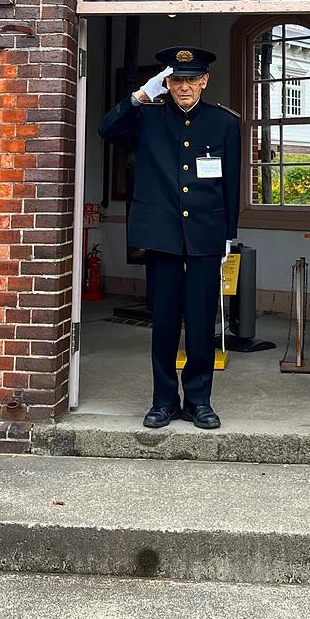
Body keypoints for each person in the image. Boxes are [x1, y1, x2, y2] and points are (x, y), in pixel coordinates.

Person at [99, 46, 240, 429]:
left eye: (192, 79)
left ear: (205, 81)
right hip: (161, 236)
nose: (184, 87)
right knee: (163, 323)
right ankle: (163, 400)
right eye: (176, 80)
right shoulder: (148, 118)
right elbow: (106, 129)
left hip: (205, 237)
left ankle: (198, 400)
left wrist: (228, 235)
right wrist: (140, 95)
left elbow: (232, 185)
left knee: (199, 323)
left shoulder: (224, 124)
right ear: (167, 82)